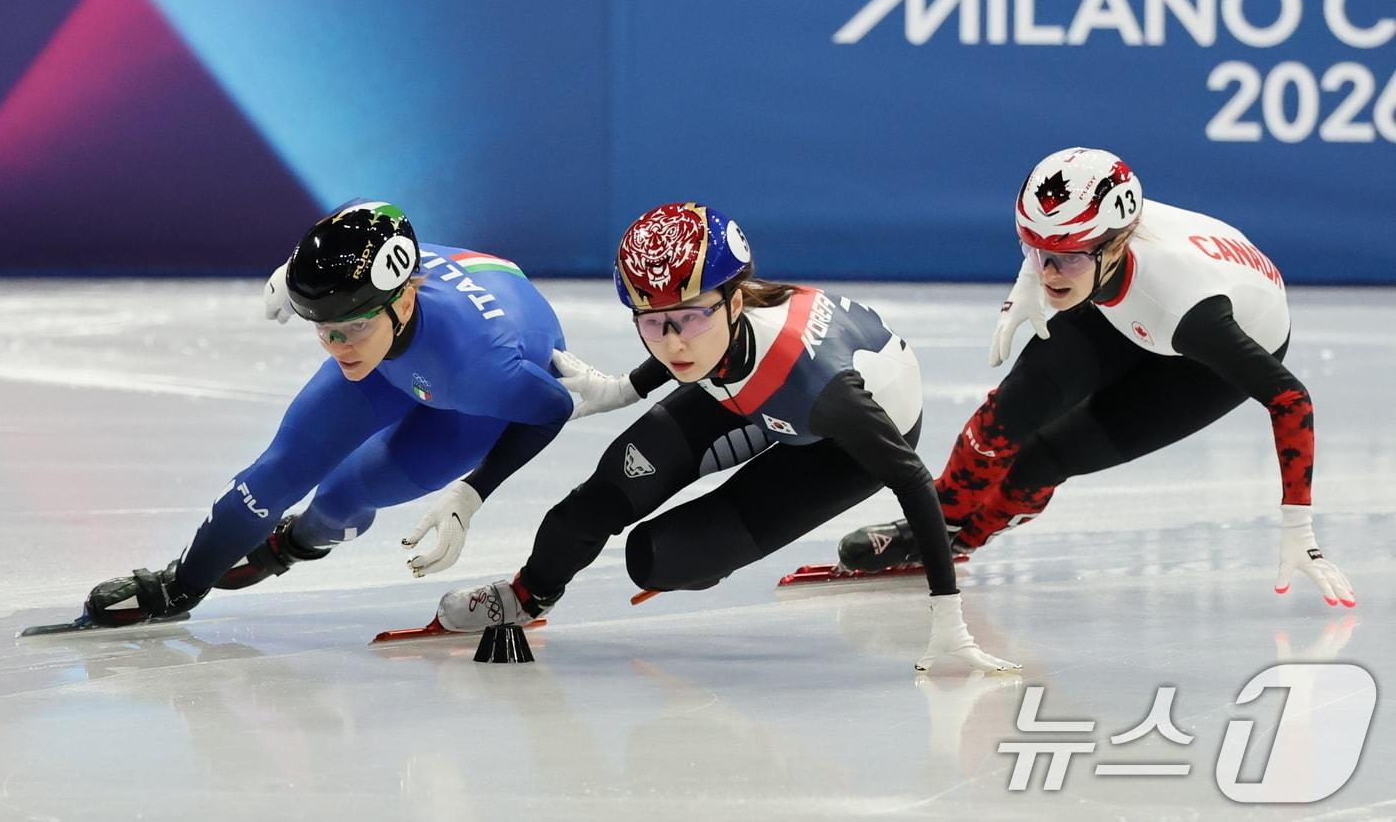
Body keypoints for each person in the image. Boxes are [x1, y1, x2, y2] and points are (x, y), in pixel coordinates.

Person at [425, 202, 1020, 674]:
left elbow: (912, 477)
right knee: (601, 494)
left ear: (735, 301)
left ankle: (712, 554)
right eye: (651, 323)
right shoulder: (710, 326)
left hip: (842, 443)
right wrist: (628, 388)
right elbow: (683, 334)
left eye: (689, 318)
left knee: (659, 558)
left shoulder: (822, 387)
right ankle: (527, 596)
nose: (673, 343)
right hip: (750, 392)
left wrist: (949, 623)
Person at [837, 148, 1355, 609]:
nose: (1046, 274)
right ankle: (939, 522)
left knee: (1046, 458)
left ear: (1117, 242)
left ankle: (965, 541)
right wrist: (1030, 285)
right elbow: (1053, 248)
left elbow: (1291, 398)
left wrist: (1297, 526)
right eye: (1033, 252)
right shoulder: (1088, 251)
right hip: (1120, 300)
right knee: (1003, 418)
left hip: (1208, 355)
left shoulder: (1186, 306)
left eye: (1063, 258)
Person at [83, 200, 574, 625]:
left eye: (351, 329)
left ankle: (295, 543)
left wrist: (472, 493)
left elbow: (554, 409)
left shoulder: (479, 370)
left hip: (480, 378)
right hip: (425, 323)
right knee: (278, 472)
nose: (338, 347)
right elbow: (362, 213)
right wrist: (299, 275)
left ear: (404, 301)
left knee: (343, 498)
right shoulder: (364, 308)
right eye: (322, 327)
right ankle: (178, 587)